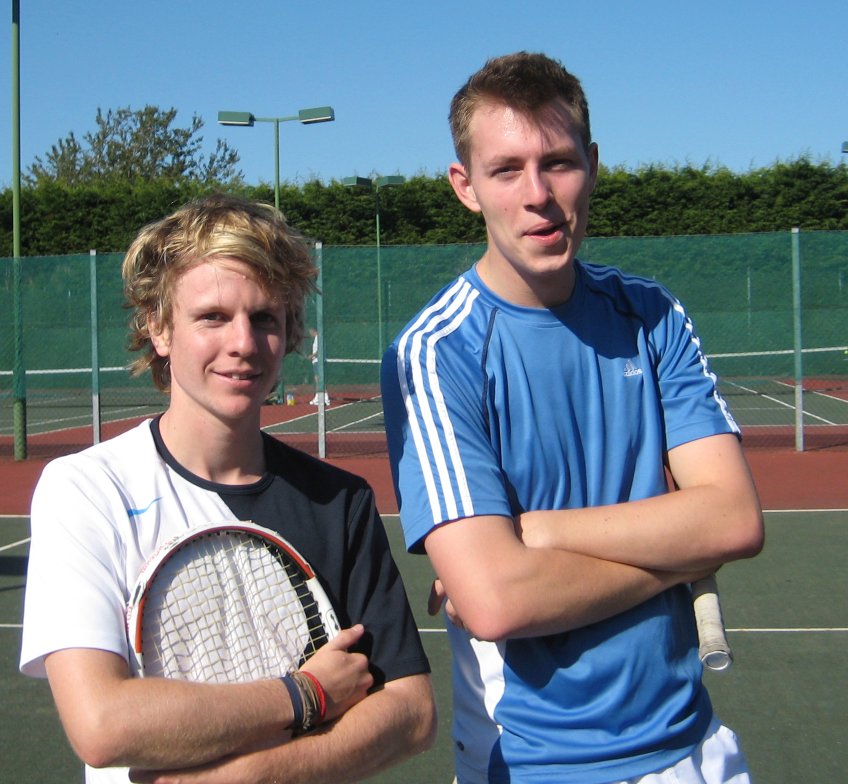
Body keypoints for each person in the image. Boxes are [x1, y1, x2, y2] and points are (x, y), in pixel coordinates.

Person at [381, 52, 764, 784]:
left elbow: (736, 520)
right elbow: (495, 601)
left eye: (558, 163)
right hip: (535, 762)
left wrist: (539, 533)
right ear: (465, 187)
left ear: (593, 165)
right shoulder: (434, 354)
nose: (539, 196)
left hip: (694, 747)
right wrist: (681, 550)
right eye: (506, 170)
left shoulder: (651, 315)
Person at [21, 194, 436, 784]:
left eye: (265, 317)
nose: (243, 342)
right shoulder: (86, 490)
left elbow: (411, 712)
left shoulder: (339, 501)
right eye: (212, 317)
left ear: (289, 332)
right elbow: (103, 724)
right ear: (159, 329)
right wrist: (305, 694)